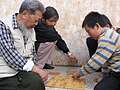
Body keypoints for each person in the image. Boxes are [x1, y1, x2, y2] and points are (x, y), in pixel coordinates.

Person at [0, 0, 48, 90]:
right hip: (5, 74)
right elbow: (10, 55)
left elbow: (32, 53)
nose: (36, 24)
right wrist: (35, 69)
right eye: (35, 20)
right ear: (25, 14)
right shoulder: (3, 25)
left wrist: (35, 69)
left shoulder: (31, 29)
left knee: (36, 81)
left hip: (22, 71)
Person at [73, 11, 120, 90]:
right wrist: (105, 76)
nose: (89, 34)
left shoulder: (106, 38)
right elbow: (105, 60)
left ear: (97, 26)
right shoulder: (106, 35)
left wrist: (79, 73)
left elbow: (95, 62)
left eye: (88, 31)